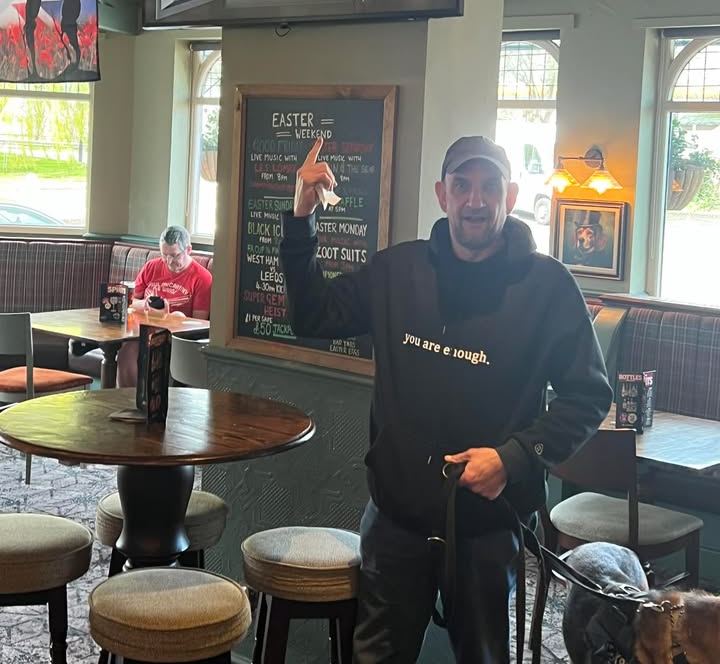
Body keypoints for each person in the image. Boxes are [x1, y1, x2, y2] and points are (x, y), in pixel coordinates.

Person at [279, 135, 613, 664]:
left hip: (487, 531)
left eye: (489, 186)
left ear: (510, 195)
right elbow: (311, 314)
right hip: (395, 524)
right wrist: (301, 220)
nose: (475, 200)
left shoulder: (548, 287)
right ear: (442, 194)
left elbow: (589, 396)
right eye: (462, 186)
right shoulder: (397, 272)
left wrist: (514, 457)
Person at [116, 225, 212, 387]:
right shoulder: (151, 267)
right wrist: (146, 305)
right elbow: (132, 302)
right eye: (164, 255)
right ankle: (126, 398)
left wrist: (169, 318)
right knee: (127, 351)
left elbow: (198, 324)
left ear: (188, 250)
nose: (169, 261)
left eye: (175, 255)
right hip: (142, 331)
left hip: (175, 338)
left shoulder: (202, 278)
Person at [60, 0, 82, 67]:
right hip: (66, 26)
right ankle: (71, 61)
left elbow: (68, 15)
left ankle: (77, 62)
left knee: (74, 45)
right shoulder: (66, 1)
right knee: (67, 45)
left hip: (70, 27)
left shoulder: (70, 2)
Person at [24, 0, 41, 76]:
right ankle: (33, 68)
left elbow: (31, 14)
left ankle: (34, 68)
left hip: (30, 26)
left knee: (31, 47)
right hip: (28, 25)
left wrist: (28, 24)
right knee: (30, 47)